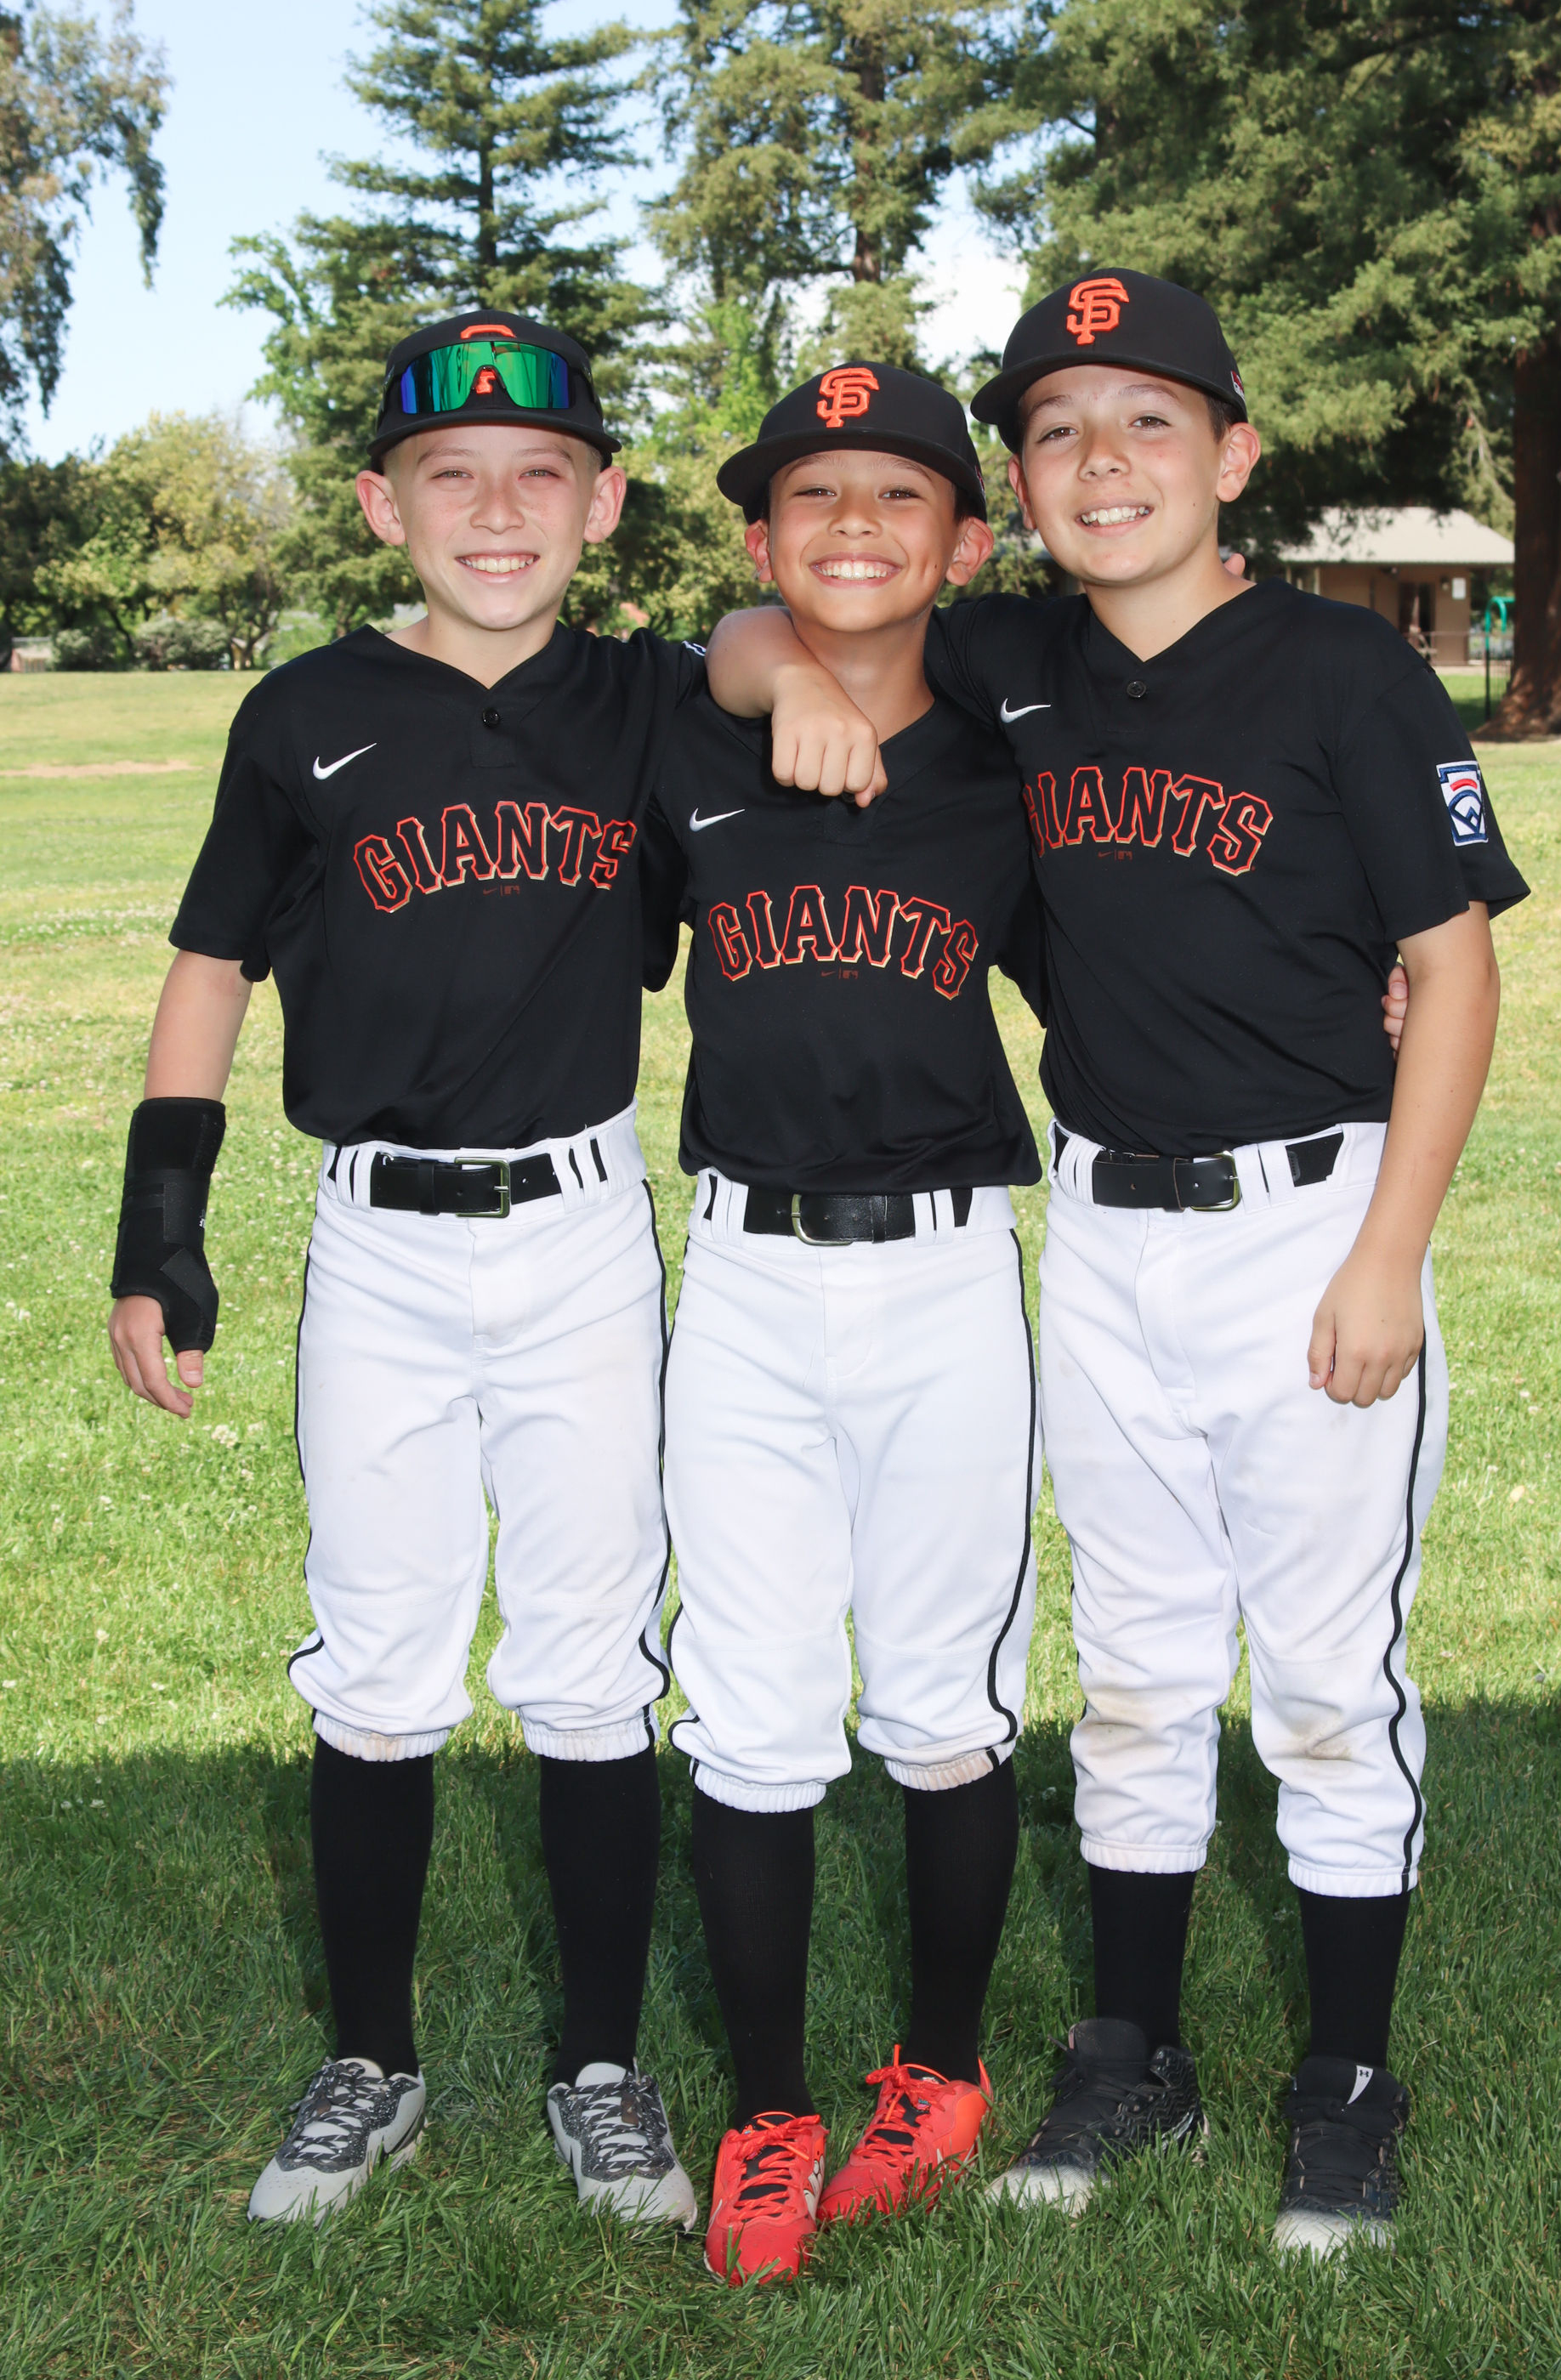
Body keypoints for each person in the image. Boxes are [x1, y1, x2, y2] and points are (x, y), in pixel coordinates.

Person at [706, 270, 1528, 2258]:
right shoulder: (1010, 658)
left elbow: (1451, 967)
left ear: (1233, 455)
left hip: (1310, 1222)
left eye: (1150, 420)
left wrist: (1390, 1257)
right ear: (1017, 485)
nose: (1103, 461)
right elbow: (761, 625)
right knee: (1141, 1667)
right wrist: (782, 670)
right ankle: (1131, 2047)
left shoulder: (1345, 671)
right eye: (1057, 429)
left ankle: (1344, 2077)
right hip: (1095, 1226)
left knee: (1323, 1676)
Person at [105, 310, 866, 2229]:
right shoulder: (303, 713)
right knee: (376, 1654)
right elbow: (212, 964)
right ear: (384, 506)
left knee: (591, 1658)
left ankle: (600, 2066)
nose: (498, 508)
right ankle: (370, 2060)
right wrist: (159, 1230)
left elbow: (750, 639)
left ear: (603, 505)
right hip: (375, 1236)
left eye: (544, 473)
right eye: (450, 474)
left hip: (584, 1233)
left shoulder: (644, 695)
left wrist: (788, 663)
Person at [647, 364, 1047, 2285]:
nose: (857, 527)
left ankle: (943, 2075)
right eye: (813, 496)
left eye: (902, 494)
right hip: (743, 1274)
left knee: (944, 1703)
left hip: (948, 1271)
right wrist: (763, 668)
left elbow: (1145, 943)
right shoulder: (688, 729)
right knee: (749, 1707)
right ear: (758, 539)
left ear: (964, 543)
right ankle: (765, 2113)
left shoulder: (1011, 755)